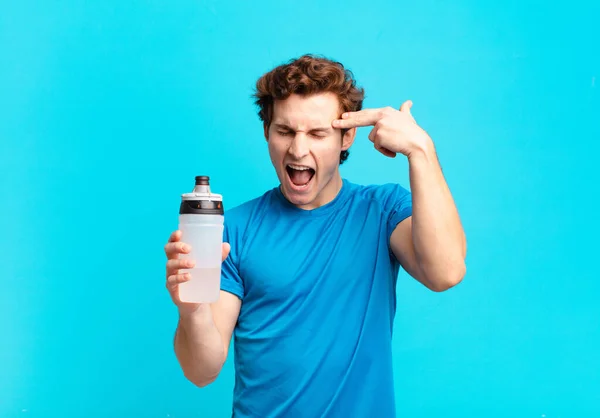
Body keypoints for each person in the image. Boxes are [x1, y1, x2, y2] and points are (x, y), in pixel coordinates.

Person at [164, 54, 467, 417]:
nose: (298, 149)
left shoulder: (383, 210)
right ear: (267, 132)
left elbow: (446, 272)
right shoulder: (233, 229)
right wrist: (193, 310)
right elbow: (201, 371)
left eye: (317, 133)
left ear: (347, 136)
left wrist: (420, 150)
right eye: (285, 131)